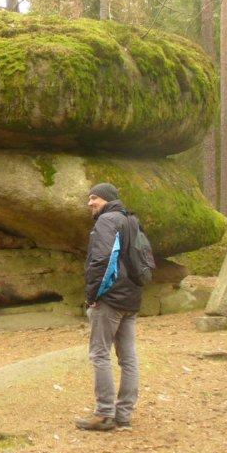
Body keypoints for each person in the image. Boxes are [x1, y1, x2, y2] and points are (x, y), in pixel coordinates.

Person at [76, 183, 142, 432]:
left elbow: (103, 260)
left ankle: (104, 414)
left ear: (107, 199)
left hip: (110, 299)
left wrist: (92, 295)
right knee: (128, 358)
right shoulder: (132, 221)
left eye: (94, 198)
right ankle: (124, 415)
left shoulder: (107, 221)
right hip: (130, 299)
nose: (90, 203)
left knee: (100, 354)